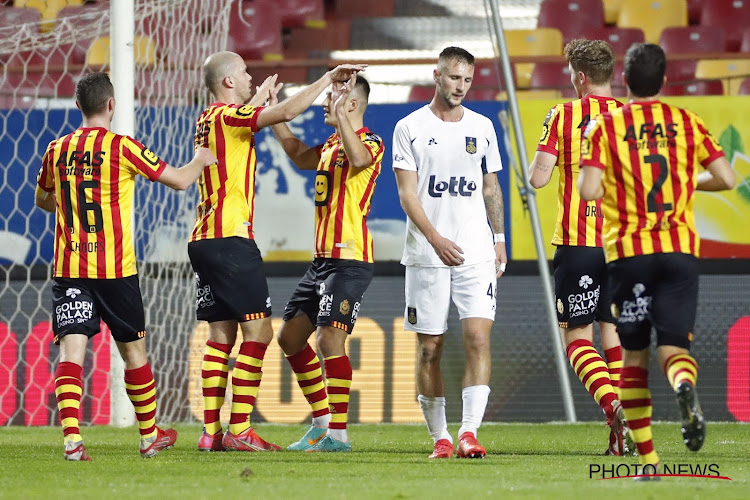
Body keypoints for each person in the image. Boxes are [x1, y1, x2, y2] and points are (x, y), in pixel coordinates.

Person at [34, 72, 217, 461]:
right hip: (116, 272)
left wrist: (67, 199)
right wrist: (200, 159)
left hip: (70, 269)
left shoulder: (57, 148)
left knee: (71, 353)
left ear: (78, 105)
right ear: (112, 105)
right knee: (134, 355)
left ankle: (72, 441)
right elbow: (180, 181)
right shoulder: (122, 147)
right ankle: (149, 436)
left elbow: (43, 199)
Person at [191, 51, 366, 452]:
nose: (251, 77)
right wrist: (327, 79)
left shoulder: (208, 119)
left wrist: (258, 104)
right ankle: (240, 430)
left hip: (203, 239)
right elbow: (287, 111)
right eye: (244, 73)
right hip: (231, 240)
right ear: (228, 83)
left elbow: (261, 122)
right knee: (261, 331)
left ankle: (211, 432)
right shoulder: (228, 116)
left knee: (221, 335)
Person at [578, 43, 736, 478]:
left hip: (630, 254)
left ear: (624, 80)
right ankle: (684, 385)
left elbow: (589, 192)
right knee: (674, 347)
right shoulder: (685, 122)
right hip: (679, 251)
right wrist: (686, 183)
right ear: (665, 81)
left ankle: (649, 463)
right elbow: (727, 178)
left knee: (634, 358)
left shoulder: (604, 127)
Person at [392, 46, 507, 459]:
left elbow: (490, 186)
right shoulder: (409, 127)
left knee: (477, 337)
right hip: (427, 254)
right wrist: (436, 239)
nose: (460, 87)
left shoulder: (482, 126)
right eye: (454, 78)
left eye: (467, 80)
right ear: (437, 75)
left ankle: (469, 433)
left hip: (476, 250)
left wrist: (499, 238)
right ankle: (440, 437)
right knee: (430, 348)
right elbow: (408, 195)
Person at [268, 74, 381, 452]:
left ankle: (338, 434)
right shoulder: (333, 143)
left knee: (329, 338)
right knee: (289, 338)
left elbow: (360, 159)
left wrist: (342, 119)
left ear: (351, 104)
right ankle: (319, 425)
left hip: (350, 259)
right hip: (320, 262)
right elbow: (299, 154)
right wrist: (271, 112)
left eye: (333, 95)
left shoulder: (369, 141)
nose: (324, 100)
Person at [528, 39, 631, 456]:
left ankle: (613, 406)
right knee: (614, 332)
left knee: (577, 337)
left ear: (581, 76)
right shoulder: (630, 117)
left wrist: (535, 163)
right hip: (623, 245)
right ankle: (620, 435)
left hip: (578, 242)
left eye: (572, 73)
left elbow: (538, 179)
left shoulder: (563, 114)